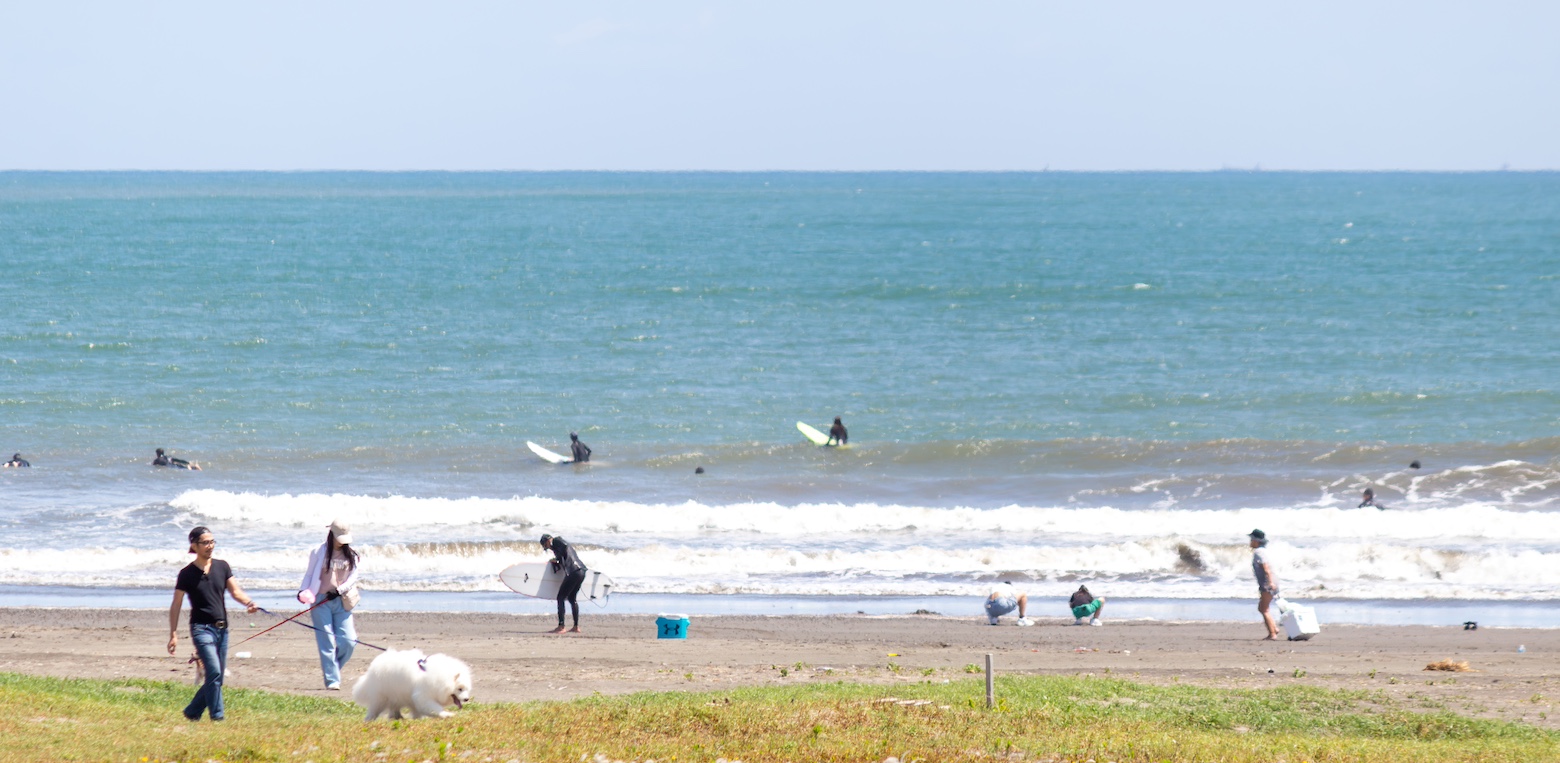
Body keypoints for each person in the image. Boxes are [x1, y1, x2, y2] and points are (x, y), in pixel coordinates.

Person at [168, 526, 259, 721]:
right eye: (205, 542)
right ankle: (218, 718)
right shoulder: (186, 574)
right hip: (201, 629)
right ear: (194, 545)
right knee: (215, 672)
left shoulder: (222, 566)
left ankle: (192, 712)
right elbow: (176, 604)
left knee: (216, 677)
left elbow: (235, 592)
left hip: (222, 629)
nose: (210, 546)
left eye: (212, 542)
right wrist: (173, 634)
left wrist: (249, 603)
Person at [297, 519, 361, 690]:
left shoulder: (353, 555)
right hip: (320, 600)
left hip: (342, 601)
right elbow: (309, 575)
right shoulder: (318, 552)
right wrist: (302, 591)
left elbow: (353, 577)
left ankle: (334, 670)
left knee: (349, 641)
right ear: (331, 535)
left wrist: (339, 590)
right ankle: (332, 680)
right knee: (326, 640)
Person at [540, 533, 587, 633]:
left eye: (546, 546)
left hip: (574, 572)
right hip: (581, 571)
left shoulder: (557, 541)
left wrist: (557, 557)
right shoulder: (559, 549)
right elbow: (565, 558)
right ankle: (576, 627)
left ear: (548, 540)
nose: (548, 548)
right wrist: (556, 561)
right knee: (571, 598)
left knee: (560, 597)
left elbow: (564, 546)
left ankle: (561, 626)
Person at [1248, 529, 1281, 641]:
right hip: (1271, 581)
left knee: (1264, 608)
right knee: (1262, 607)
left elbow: (1266, 568)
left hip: (1268, 583)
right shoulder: (1264, 551)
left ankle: (1272, 634)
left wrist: (1270, 582)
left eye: (1252, 539)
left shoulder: (1259, 552)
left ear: (1256, 541)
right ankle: (1274, 628)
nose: (1250, 542)